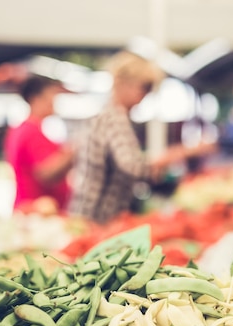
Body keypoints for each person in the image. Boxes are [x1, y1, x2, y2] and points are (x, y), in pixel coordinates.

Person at [67, 50, 214, 224]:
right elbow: (133, 166)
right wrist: (182, 152)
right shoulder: (114, 119)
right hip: (97, 218)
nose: (147, 94)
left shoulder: (108, 116)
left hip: (92, 215)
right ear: (122, 83)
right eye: (144, 87)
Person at [3, 75, 74, 213]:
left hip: (33, 211)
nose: (54, 101)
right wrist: (74, 153)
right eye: (51, 95)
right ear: (36, 98)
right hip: (37, 214)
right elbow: (46, 174)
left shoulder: (21, 128)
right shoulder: (31, 132)